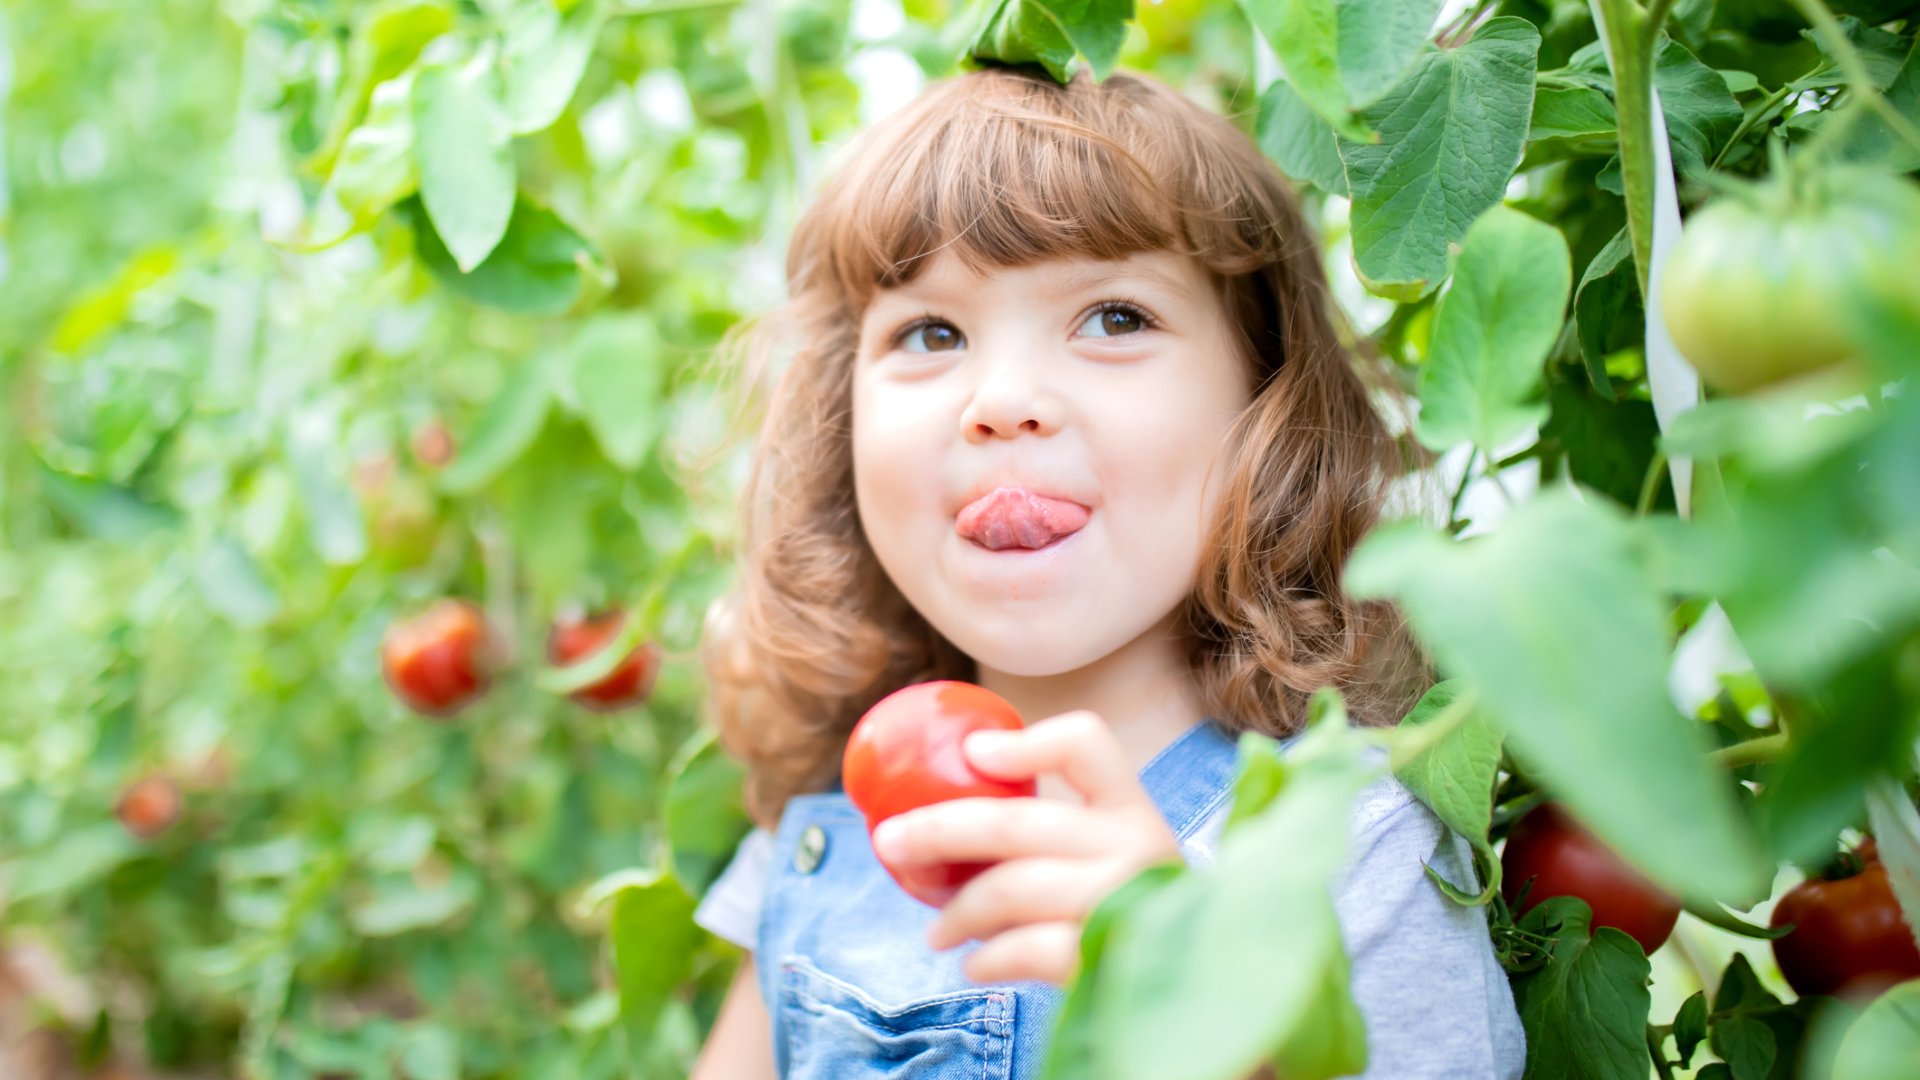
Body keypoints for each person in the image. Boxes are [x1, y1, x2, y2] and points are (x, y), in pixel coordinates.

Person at [687, 62, 1524, 1079]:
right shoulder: (820, 837)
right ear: (842, 424)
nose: (1002, 399)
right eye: (931, 333)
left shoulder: (1352, 846)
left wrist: (1216, 1011)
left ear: (1261, 402)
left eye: (1115, 318)